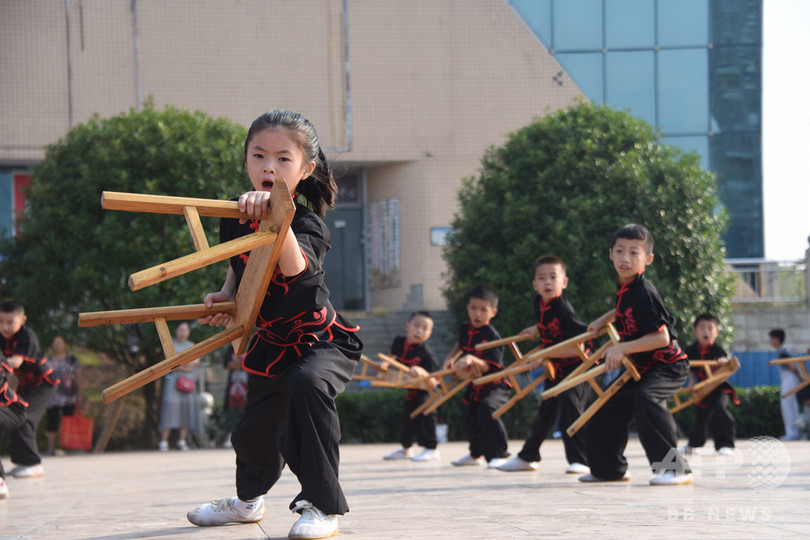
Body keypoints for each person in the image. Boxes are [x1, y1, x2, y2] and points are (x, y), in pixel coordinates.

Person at [186, 110, 362, 539]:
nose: (269, 166)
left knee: (307, 387)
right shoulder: (233, 215)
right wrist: (225, 300)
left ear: (306, 169)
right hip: (271, 345)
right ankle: (247, 504)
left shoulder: (307, 224)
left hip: (319, 342)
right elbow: (238, 272)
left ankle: (322, 507)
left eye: (283, 159)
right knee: (253, 434)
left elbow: (295, 268)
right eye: (259, 155)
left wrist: (276, 217)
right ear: (246, 161)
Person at [582, 224, 692, 486]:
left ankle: (674, 469)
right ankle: (610, 470)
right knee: (604, 410)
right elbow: (623, 309)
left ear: (648, 259)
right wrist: (603, 319)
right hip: (641, 367)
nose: (625, 258)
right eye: (620, 251)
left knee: (647, 399)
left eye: (634, 252)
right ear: (610, 254)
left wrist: (620, 348)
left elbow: (662, 338)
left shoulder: (644, 291)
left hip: (668, 366)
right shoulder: (625, 287)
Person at [496, 255, 593, 475]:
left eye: (553, 277)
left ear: (564, 282)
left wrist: (545, 354)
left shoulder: (563, 308)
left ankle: (581, 460)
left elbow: (581, 342)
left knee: (571, 406)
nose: (547, 282)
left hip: (579, 367)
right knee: (546, 411)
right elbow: (553, 328)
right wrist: (537, 329)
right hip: (557, 368)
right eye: (542, 278)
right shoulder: (540, 304)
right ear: (535, 284)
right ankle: (528, 457)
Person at [444, 285, 510, 468]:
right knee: (472, 417)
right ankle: (475, 455)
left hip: (496, 383)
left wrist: (472, 359)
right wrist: (450, 359)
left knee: (488, 409)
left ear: (493, 312)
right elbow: (459, 345)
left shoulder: (492, 336)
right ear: (467, 309)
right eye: (473, 308)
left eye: (483, 309)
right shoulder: (465, 328)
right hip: (476, 384)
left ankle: (500, 454)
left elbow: (490, 366)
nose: (477, 314)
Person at [0, 300, 57, 480]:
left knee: (23, 416)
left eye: (11, 322)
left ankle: (33, 464)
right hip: (27, 384)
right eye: (1, 321)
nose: (5, 326)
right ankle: (23, 462)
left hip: (43, 383)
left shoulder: (26, 336)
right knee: (17, 415)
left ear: (23, 320)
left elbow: (16, 362)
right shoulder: (2, 337)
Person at [382, 311, 441, 462]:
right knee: (407, 419)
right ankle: (405, 449)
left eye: (425, 328)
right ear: (408, 326)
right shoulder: (399, 342)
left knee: (425, 415)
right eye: (416, 325)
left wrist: (421, 372)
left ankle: (431, 449)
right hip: (411, 390)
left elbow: (434, 383)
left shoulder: (427, 355)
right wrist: (384, 364)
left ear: (429, 333)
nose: (419, 330)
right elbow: (392, 356)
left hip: (428, 392)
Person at [681, 313, 738, 456]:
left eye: (710, 328)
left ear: (717, 332)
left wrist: (724, 362)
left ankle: (725, 445)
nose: (706, 331)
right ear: (695, 331)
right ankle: (694, 444)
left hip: (720, 387)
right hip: (703, 388)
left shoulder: (719, 351)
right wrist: (692, 383)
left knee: (720, 409)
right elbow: (690, 369)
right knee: (701, 415)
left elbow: (727, 364)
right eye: (702, 328)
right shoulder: (691, 350)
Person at [157, 321, 202, 451]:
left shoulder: (192, 345)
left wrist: (184, 366)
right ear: (176, 331)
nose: (183, 332)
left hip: (188, 380)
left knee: (186, 408)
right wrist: (183, 366)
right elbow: (170, 362)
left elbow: (196, 360)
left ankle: (182, 440)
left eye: (185, 330)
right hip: (173, 380)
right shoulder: (170, 345)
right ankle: (163, 441)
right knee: (170, 407)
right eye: (181, 329)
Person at [45, 335, 82, 456]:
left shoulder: (72, 360)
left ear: (65, 344)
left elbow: (79, 378)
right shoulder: (48, 361)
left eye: (60, 343)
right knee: (52, 422)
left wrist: (79, 394)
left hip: (69, 396)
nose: (58, 345)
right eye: (55, 343)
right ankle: (51, 448)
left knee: (69, 422)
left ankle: (68, 447)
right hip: (52, 397)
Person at [769, 328, 801, 441]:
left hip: (790, 380)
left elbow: (793, 367)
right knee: (787, 406)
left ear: (777, 339)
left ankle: (793, 432)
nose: (770, 341)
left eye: (772, 338)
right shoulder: (782, 351)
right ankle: (791, 432)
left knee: (789, 406)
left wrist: (798, 378)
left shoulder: (783, 352)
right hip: (787, 380)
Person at [221, 348, 248, 448]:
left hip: (246, 386)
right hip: (233, 386)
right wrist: (241, 364)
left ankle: (246, 437)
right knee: (231, 412)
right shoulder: (231, 349)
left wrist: (239, 364)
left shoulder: (250, 346)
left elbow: (249, 364)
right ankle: (229, 437)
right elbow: (227, 364)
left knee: (246, 412)